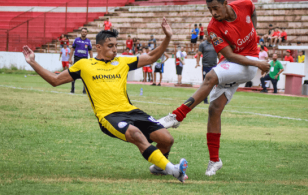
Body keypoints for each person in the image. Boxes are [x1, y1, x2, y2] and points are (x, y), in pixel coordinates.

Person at [22, 18, 188, 183]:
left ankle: (159, 168)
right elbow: (54, 80)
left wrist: (167, 38)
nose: (115, 49)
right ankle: (174, 170)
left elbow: (151, 57)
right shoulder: (84, 65)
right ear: (98, 47)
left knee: (167, 140)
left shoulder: (122, 61)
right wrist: (33, 62)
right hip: (109, 116)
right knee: (136, 135)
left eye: (116, 46)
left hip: (131, 110)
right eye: (110, 46)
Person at [157, 0, 270, 176]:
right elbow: (230, 56)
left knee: (209, 77)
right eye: (210, 9)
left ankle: (177, 116)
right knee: (214, 110)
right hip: (235, 61)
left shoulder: (245, 4)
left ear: (226, 3)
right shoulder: (213, 28)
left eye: (216, 8)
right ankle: (215, 160)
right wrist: (258, 63)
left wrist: (255, 39)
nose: (213, 13)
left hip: (249, 63)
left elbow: (253, 10)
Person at [195, 31, 221, 104]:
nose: (210, 37)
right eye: (209, 35)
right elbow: (199, 54)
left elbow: (219, 54)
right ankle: (205, 99)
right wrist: (197, 63)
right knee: (205, 83)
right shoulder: (203, 44)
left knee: (215, 83)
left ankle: (214, 99)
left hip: (214, 66)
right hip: (206, 66)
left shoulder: (216, 43)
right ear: (206, 36)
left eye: (212, 35)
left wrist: (221, 63)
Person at [69, 28, 93, 94]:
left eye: (85, 32)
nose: (84, 33)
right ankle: (72, 89)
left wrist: (91, 60)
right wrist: (70, 59)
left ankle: (84, 90)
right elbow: (72, 49)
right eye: (83, 31)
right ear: (81, 32)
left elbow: (90, 51)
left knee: (84, 75)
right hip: (76, 59)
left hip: (85, 60)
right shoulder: (76, 40)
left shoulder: (88, 41)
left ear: (86, 33)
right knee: (73, 74)